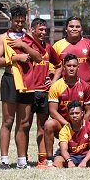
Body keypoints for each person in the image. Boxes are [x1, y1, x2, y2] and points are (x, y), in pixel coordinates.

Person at [0, 5, 43, 169]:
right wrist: (16, 57)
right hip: (10, 80)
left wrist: (24, 45)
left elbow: (38, 57)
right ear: (11, 20)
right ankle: (4, 161)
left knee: (24, 123)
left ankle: (22, 161)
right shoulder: (3, 38)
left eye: (22, 21)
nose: (19, 24)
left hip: (28, 82)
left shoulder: (28, 38)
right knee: (7, 121)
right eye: (16, 21)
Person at [44, 54, 90, 167]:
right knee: (48, 124)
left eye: (74, 66)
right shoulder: (56, 86)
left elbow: (89, 111)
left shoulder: (85, 86)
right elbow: (53, 112)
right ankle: (50, 159)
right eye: (69, 66)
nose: (71, 68)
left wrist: (81, 127)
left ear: (78, 68)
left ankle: (86, 154)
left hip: (79, 125)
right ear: (64, 67)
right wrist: (68, 126)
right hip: (63, 125)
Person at [53, 16, 90, 122]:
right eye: (71, 26)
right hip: (66, 91)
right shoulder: (58, 46)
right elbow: (52, 68)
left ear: (81, 29)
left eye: (77, 26)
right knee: (67, 122)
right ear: (66, 29)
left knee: (89, 122)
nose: (74, 29)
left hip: (87, 90)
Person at [28, 18, 62, 168]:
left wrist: (53, 81)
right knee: (25, 126)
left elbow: (59, 65)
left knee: (41, 126)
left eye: (44, 30)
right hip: (28, 92)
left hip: (44, 92)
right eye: (40, 30)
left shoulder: (48, 47)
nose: (43, 33)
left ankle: (42, 159)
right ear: (32, 29)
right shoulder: (26, 46)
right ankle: (23, 158)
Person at [53, 100, 90, 168]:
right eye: (72, 113)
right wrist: (69, 161)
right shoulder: (64, 129)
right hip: (71, 156)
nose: (74, 115)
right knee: (58, 159)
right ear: (68, 114)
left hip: (87, 156)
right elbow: (63, 150)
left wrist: (84, 161)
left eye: (77, 113)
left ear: (82, 113)